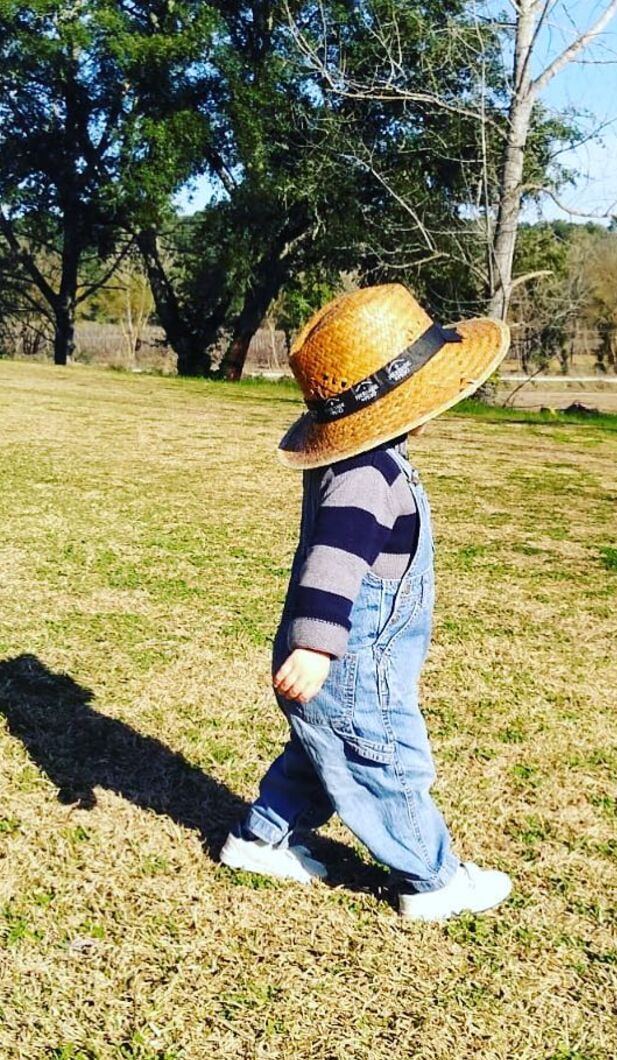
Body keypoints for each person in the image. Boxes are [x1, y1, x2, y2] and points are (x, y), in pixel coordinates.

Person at [220, 283, 513, 920]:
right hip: (349, 655)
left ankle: (261, 839)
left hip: (355, 658)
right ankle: (433, 880)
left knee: (325, 749)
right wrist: (318, 646)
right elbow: (337, 560)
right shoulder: (366, 474)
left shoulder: (374, 460)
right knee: (383, 759)